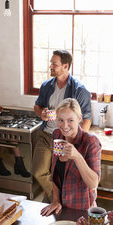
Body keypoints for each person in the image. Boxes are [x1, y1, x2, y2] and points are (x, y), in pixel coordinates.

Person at [33, 50, 92, 202]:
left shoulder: (80, 90)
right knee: (38, 171)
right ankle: (57, 198)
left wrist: (76, 142)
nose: (50, 66)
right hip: (46, 135)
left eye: (54, 64)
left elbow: (86, 119)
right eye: (51, 63)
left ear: (65, 66)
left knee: (59, 174)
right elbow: (37, 106)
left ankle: (54, 200)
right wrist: (42, 113)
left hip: (65, 139)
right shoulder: (46, 85)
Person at [40, 98, 101, 216]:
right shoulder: (57, 134)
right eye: (60, 120)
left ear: (79, 118)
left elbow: (93, 184)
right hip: (60, 206)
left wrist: (77, 156)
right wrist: (56, 200)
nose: (65, 126)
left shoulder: (91, 142)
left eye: (70, 120)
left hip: (81, 208)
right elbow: (55, 173)